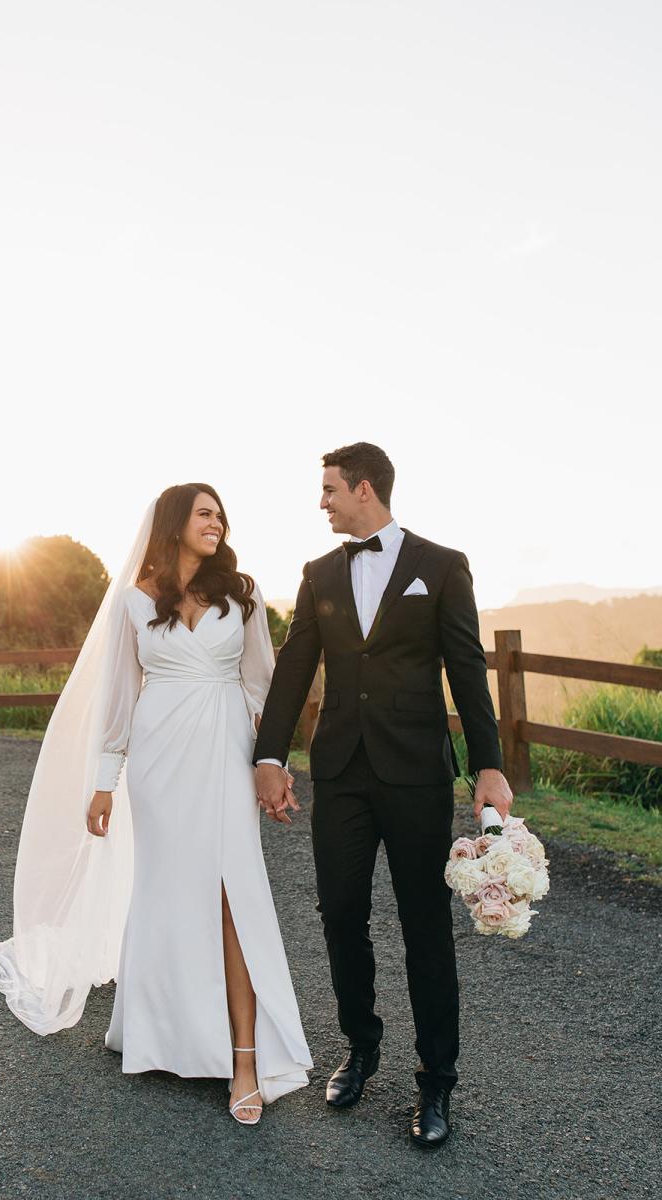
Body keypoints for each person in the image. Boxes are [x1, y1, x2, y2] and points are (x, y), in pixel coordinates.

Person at [0, 484, 312, 1126]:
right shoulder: (136, 598)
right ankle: (162, 1034)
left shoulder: (242, 593)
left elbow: (263, 687)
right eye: (204, 513)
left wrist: (271, 766)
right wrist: (105, 780)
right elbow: (118, 693)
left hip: (224, 752)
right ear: (173, 523)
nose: (216, 523)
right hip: (158, 759)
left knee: (231, 894)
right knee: (166, 892)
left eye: (221, 515)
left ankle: (245, 1059)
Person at [253, 442, 512, 1148]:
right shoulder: (318, 573)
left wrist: (489, 767)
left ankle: (436, 1082)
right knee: (340, 914)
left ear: (364, 489)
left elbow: (467, 669)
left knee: (425, 924)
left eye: (330, 489)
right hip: (341, 771)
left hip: (416, 775)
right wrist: (270, 756)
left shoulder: (441, 566)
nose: (323, 502)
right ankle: (360, 1047)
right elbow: (294, 666)